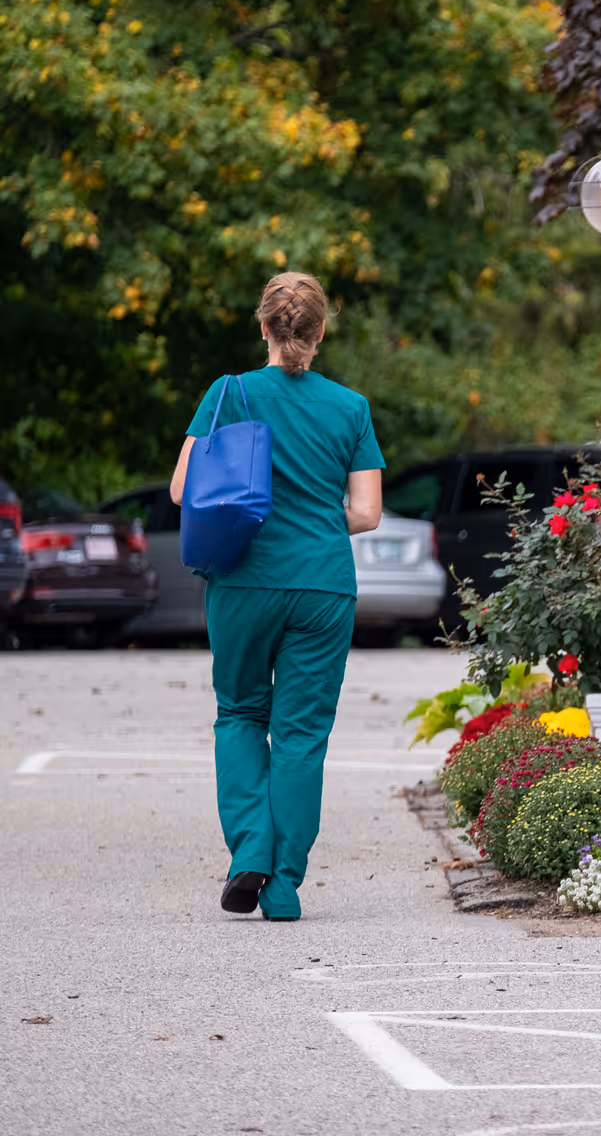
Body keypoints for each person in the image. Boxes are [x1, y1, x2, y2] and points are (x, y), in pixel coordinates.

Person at [169, 272, 385, 921]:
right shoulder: (350, 407)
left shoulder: (228, 394)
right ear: (319, 333)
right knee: (300, 735)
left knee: (240, 714)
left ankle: (250, 855)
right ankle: (285, 885)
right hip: (322, 584)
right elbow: (368, 513)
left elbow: (183, 490)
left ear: (264, 327)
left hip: (243, 581)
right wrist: (316, 518)